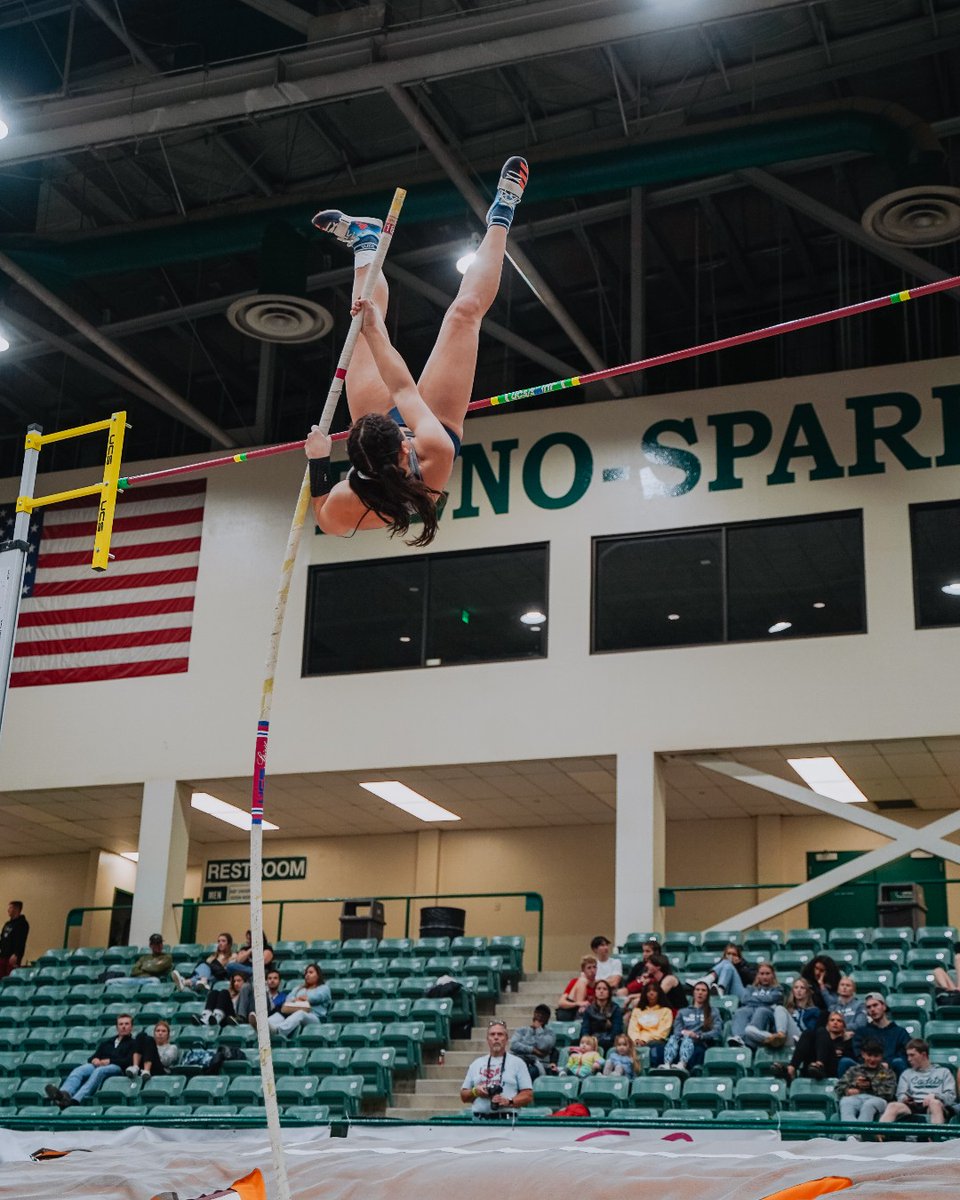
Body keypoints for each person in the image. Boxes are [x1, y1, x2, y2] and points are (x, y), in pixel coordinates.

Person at [305, 156, 529, 547]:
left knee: (358, 330)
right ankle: (504, 210)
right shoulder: (432, 454)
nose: (402, 429)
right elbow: (405, 390)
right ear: (404, 448)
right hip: (439, 421)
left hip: (385, 436)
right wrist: (380, 335)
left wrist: (318, 461)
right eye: (401, 435)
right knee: (463, 315)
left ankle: (365, 243)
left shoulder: (346, 499)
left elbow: (325, 517)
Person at [45, 1013, 135, 1108]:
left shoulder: (134, 1043)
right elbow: (92, 1057)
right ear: (117, 1027)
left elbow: (129, 1061)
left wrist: (110, 1061)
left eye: (126, 1024)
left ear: (131, 1027)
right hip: (100, 1064)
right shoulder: (108, 1042)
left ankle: (75, 1100)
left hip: (117, 1067)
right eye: (121, 1024)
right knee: (80, 1070)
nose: (123, 1027)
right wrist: (94, 1060)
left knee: (99, 1071)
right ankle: (64, 1094)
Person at [460, 1020, 533, 1117]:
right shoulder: (476, 1064)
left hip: (507, 1120)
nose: (496, 1037)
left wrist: (509, 1101)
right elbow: (464, 1096)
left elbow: (528, 1095)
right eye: (492, 1034)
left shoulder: (518, 1063)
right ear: (487, 1039)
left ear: (506, 1039)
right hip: (479, 1120)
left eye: (500, 1034)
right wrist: (475, 1092)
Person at [879, 1038, 957, 1126]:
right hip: (913, 1106)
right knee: (892, 1106)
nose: (909, 1059)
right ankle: (879, 1136)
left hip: (935, 1105)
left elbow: (951, 1097)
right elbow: (900, 1095)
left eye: (912, 1055)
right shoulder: (906, 1073)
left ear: (923, 1055)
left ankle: (935, 1137)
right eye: (908, 1055)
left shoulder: (943, 1072)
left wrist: (936, 1096)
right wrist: (905, 1099)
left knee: (934, 1104)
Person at [837, 993, 910, 1079]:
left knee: (899, 1062)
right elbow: (858, 1053)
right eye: (869, 1007)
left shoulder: (900, 1032)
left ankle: (900, 1092)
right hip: (865, 1069)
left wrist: (887, 1063)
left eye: (875, 1005)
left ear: (884, 1007)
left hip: (890, 1070)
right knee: (844, 1062)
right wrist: (871, 1063)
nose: (872, 1009)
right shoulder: (861, 1032)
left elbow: (904, 1054)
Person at [660, 981, 720, 1074]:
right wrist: (685, 1033)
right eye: (697, 990)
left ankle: (684, 1066)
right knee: (671, 1041)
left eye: (703, 990)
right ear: (693, 992)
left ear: (707, 994)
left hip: (700, 1044)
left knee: (694, 1049)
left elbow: (716, 1031)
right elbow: (677, 1031)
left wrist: (698, 1036)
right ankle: (667, 1064)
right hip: (682, 1041)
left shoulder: (713, 1012)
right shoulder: (683, 1012)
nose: (700, 992)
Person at [772, 1009, 848, 1082]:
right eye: (832, 1020)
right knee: (807, 1033)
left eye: (839, 1021)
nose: (835, 1023)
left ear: (844, 1025)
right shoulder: (819, 1038)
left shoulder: (846, 1041)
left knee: (821, 1031)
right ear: (827, 1024)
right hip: (810, 1068)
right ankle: (791, 1069)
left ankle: (819, 1065)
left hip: (830, 1071)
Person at [835, 1038, 897, 1124]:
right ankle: (852, 1134)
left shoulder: (888, 1073)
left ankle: (858, 1134)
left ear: (881, 1056)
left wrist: (870, 1087)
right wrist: (850, 1089)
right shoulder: (854, 1070)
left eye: (876, 1056)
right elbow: (838, 1087)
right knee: (845, 1102)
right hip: (856, 1098)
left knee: (869, 1105)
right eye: (869, 1055)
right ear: (863, 1054)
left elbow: (889, 1094)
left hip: (878, 1100)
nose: (872, 1059)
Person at [726, 962, 786, 1050]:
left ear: (773, 975)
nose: (764, 977)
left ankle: (751, 1042)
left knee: (761, 1010)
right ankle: (739, 1038)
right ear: (757, 975)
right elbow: (744, 999)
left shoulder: (778, 988)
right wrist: (764, 1000)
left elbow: (771, 999)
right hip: (752, 1009)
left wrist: (754, 999)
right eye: (762, 974)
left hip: (769, 1014)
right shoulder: (750, 988)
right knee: (741, 1011)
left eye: (767, 974)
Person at [267, 963, 331, 1038]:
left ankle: (278, 1031)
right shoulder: (299, 988)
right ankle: (264, 1026)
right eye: (306, 973)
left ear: (318, 975)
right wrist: (297, 999)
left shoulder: (324, 988)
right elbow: (288, 999)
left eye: (311, 972)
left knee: (300, 1013)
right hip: (292, 1014)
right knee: (280, 1014)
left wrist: (301, 999)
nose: (307, 975)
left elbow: (317, 998)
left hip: (314, 1017)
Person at [688, 942, 757, 999]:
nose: (731, 957)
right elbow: (710, 973)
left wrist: (738, 965)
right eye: (729, 954)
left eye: (734, 954)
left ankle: (709, 984)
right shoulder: (721, 964)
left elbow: (752, 978)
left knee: (728, 965)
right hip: (726, 992)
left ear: (739, 956)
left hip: (740, 993)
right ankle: (717, 987)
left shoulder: (744, 964)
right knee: (726, 963)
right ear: (724, 955)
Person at [105, 933, 172, 987]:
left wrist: (144, 967)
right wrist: (150, 966)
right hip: (136, 979)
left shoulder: (166, 957)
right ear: (150, 945)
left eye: (160, 943)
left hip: (150, 979)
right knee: (109, 982)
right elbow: (134, 971)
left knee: (155, 981)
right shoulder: (144, 958)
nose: (158, 946)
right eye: (156, 944)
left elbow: (156, 968)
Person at [626, 982, 673, 1057]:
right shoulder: (637, 1011)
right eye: (648, 991)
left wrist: (645, 1040)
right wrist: (636, 1039)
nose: (651, 993)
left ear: (659, 994)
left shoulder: (666, 1011)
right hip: (636, 1041)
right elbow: (632, 1029)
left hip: (655, 1042)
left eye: (654, 991)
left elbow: (663, 1031)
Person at [509, 1004, 556, 1078]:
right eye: (537, 1013)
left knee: (527, 1073)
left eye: (543, 1014)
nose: (539, 1016)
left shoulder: (550, 1034)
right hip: (519, 1060)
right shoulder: (522, 1030)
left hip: (538, 1064)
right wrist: (533, 1050)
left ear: (547, 1019)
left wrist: (538, 1029)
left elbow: (542, 1046)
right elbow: (513, 1045)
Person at [579, 978, 623, 1052]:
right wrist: (588, 1040)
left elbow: (617, 1030)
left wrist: (609, 1038)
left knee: (604, 1044)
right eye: (598, 989)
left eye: (604, 989)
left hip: (609, 1040)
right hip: (592, 1040)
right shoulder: (589, 1009)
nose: (601, 991)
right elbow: (585, 1028)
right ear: (595, 992)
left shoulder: (615, 1009)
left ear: (609, 992)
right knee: (574, 1043)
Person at [556, 955, 597, 1019]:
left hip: (588, 1013)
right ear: (583, 970)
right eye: (589, 968)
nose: (592, 970)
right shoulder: (576, 981)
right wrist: (577, 1003)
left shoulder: (598, 985)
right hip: (570, 1011)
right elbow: (561, 1002)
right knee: (582, 981)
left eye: (594, 967)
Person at [0, 901, 28, 978]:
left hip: (12, 957)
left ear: (16, 909)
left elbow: (21, 940)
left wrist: (16, 954)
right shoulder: (7, 924)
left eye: (10, 907)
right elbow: (2, 938)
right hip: (3, 956)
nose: (8, 910)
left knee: (9, 978)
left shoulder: (22, 924)